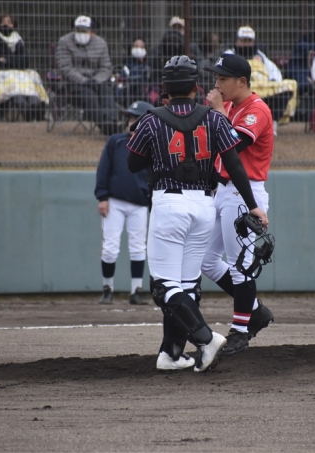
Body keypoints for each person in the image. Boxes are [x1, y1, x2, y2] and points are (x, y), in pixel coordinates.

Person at [126, 55, 268, 372]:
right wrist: (252, 203)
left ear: (165, 87)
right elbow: (233, 163)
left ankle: (206, 339)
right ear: (195, 87)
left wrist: (152, 147)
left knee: (164, 287)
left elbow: (132, 163)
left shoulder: (151, 120)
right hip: (204, 204)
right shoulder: (214, 119)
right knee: (187, 286)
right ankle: (172, 353)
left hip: (169, 204)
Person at [201, 53, 275, 356]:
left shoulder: (257, 110)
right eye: (216, 77)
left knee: (239, 265)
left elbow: (234, 145)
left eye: (223, 78)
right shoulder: (230, 106)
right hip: (224, 190)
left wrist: (218, 112)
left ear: (241, 81)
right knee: (207, 260)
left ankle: (241, 331)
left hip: (245, 194)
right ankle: (254, 310)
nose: (217, 83)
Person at [95, 100, 152, 306]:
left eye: (136, 118)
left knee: (138, 247)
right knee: (110, 247)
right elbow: (104, 169)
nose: (131, 122)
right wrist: (102, 197)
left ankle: (136, 291)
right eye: (130, 118)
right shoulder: (117, 141)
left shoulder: (152, 146)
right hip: (115, 202)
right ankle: (107, 289)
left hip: (140, 204)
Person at [224, 25, 298, 135]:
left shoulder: (260, 55)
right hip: (241, 89)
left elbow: (274, 71)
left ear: (254, 42)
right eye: (243, 41)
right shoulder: (229, 55)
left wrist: (272, 81)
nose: (246, 44)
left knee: (289, 86)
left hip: (264, 88)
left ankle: (272, 122)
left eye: (249, 41)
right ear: (236, 41)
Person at [56, 15, 119, 136]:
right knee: (89, 95)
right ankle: (106, 127)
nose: (81, 33)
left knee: (106, 90)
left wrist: (96, 80)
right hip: (74, 83)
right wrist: (84, 81)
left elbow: (106, 67)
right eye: (78, 30)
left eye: (84, 31)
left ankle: (112, 121)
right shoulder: (64, 42)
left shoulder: (101, 43)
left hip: (97, 81)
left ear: (92, 32)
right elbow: (65, 68)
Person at [0, 14, 47, 121]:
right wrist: (14, 61)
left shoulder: (18, 40)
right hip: (1, 73)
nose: (6, 25)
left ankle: (35, 106)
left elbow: (25, 61)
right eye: (3, 22)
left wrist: (6, 59)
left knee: (31, 78)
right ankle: (26, 111)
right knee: (14, 84)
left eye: (9, 22)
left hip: (19, 72)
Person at [116, 38, 151, 107]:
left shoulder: (149, 65)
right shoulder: (126, 65)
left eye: (141, 47)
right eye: (136, 47)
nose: (139, 49)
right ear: (132, 48)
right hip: (130, 96)